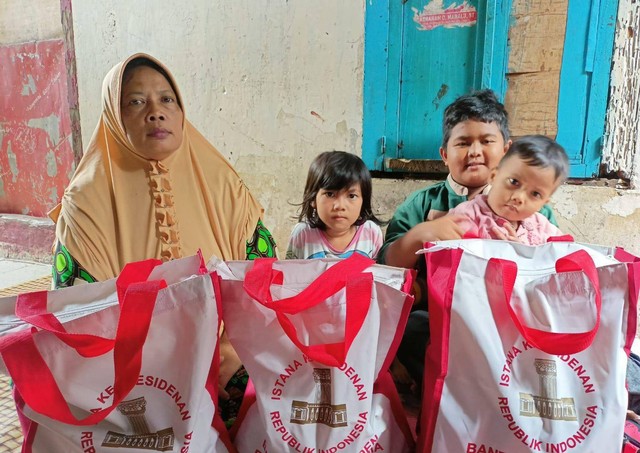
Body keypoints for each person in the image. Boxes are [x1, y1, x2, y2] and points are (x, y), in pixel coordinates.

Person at [48, 53, 277, 427]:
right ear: (114, 117)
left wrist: (231, 348)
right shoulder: (85, 201)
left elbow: (264, 272)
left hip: (226, 357)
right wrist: (169, 374)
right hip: (130, 369)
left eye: (166, 99)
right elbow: (77, 313)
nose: (155, 112)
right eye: (136, 102)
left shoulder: (223, 182)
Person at [378, 89, 559, 395]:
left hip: (511, 318)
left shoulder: (535, 211)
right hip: (444, 320)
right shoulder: (424, 203)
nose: (474, 151)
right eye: (463, 143)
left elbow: (551, 270)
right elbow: (387, 265)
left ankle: (508, 394)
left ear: (506, 151)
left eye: (486, 141)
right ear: (445, 154)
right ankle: (450, 395)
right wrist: (422, 233)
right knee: (410, 329)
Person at [449, 135, 567, 244]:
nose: (518, 197)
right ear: (493, 176)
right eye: (514, 182)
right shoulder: (466, 216)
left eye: (535, 194)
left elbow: (562, 255)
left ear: (543, 203)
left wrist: (524, 253)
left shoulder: (543, 227)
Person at [286, 151, 384, 260]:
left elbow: (379, 275)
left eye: (351, 196)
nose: (340, 206)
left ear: (363, 200)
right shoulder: (303, 234)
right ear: (313, 198)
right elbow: (290, 274)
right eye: (330, 194)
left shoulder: (371, 233)